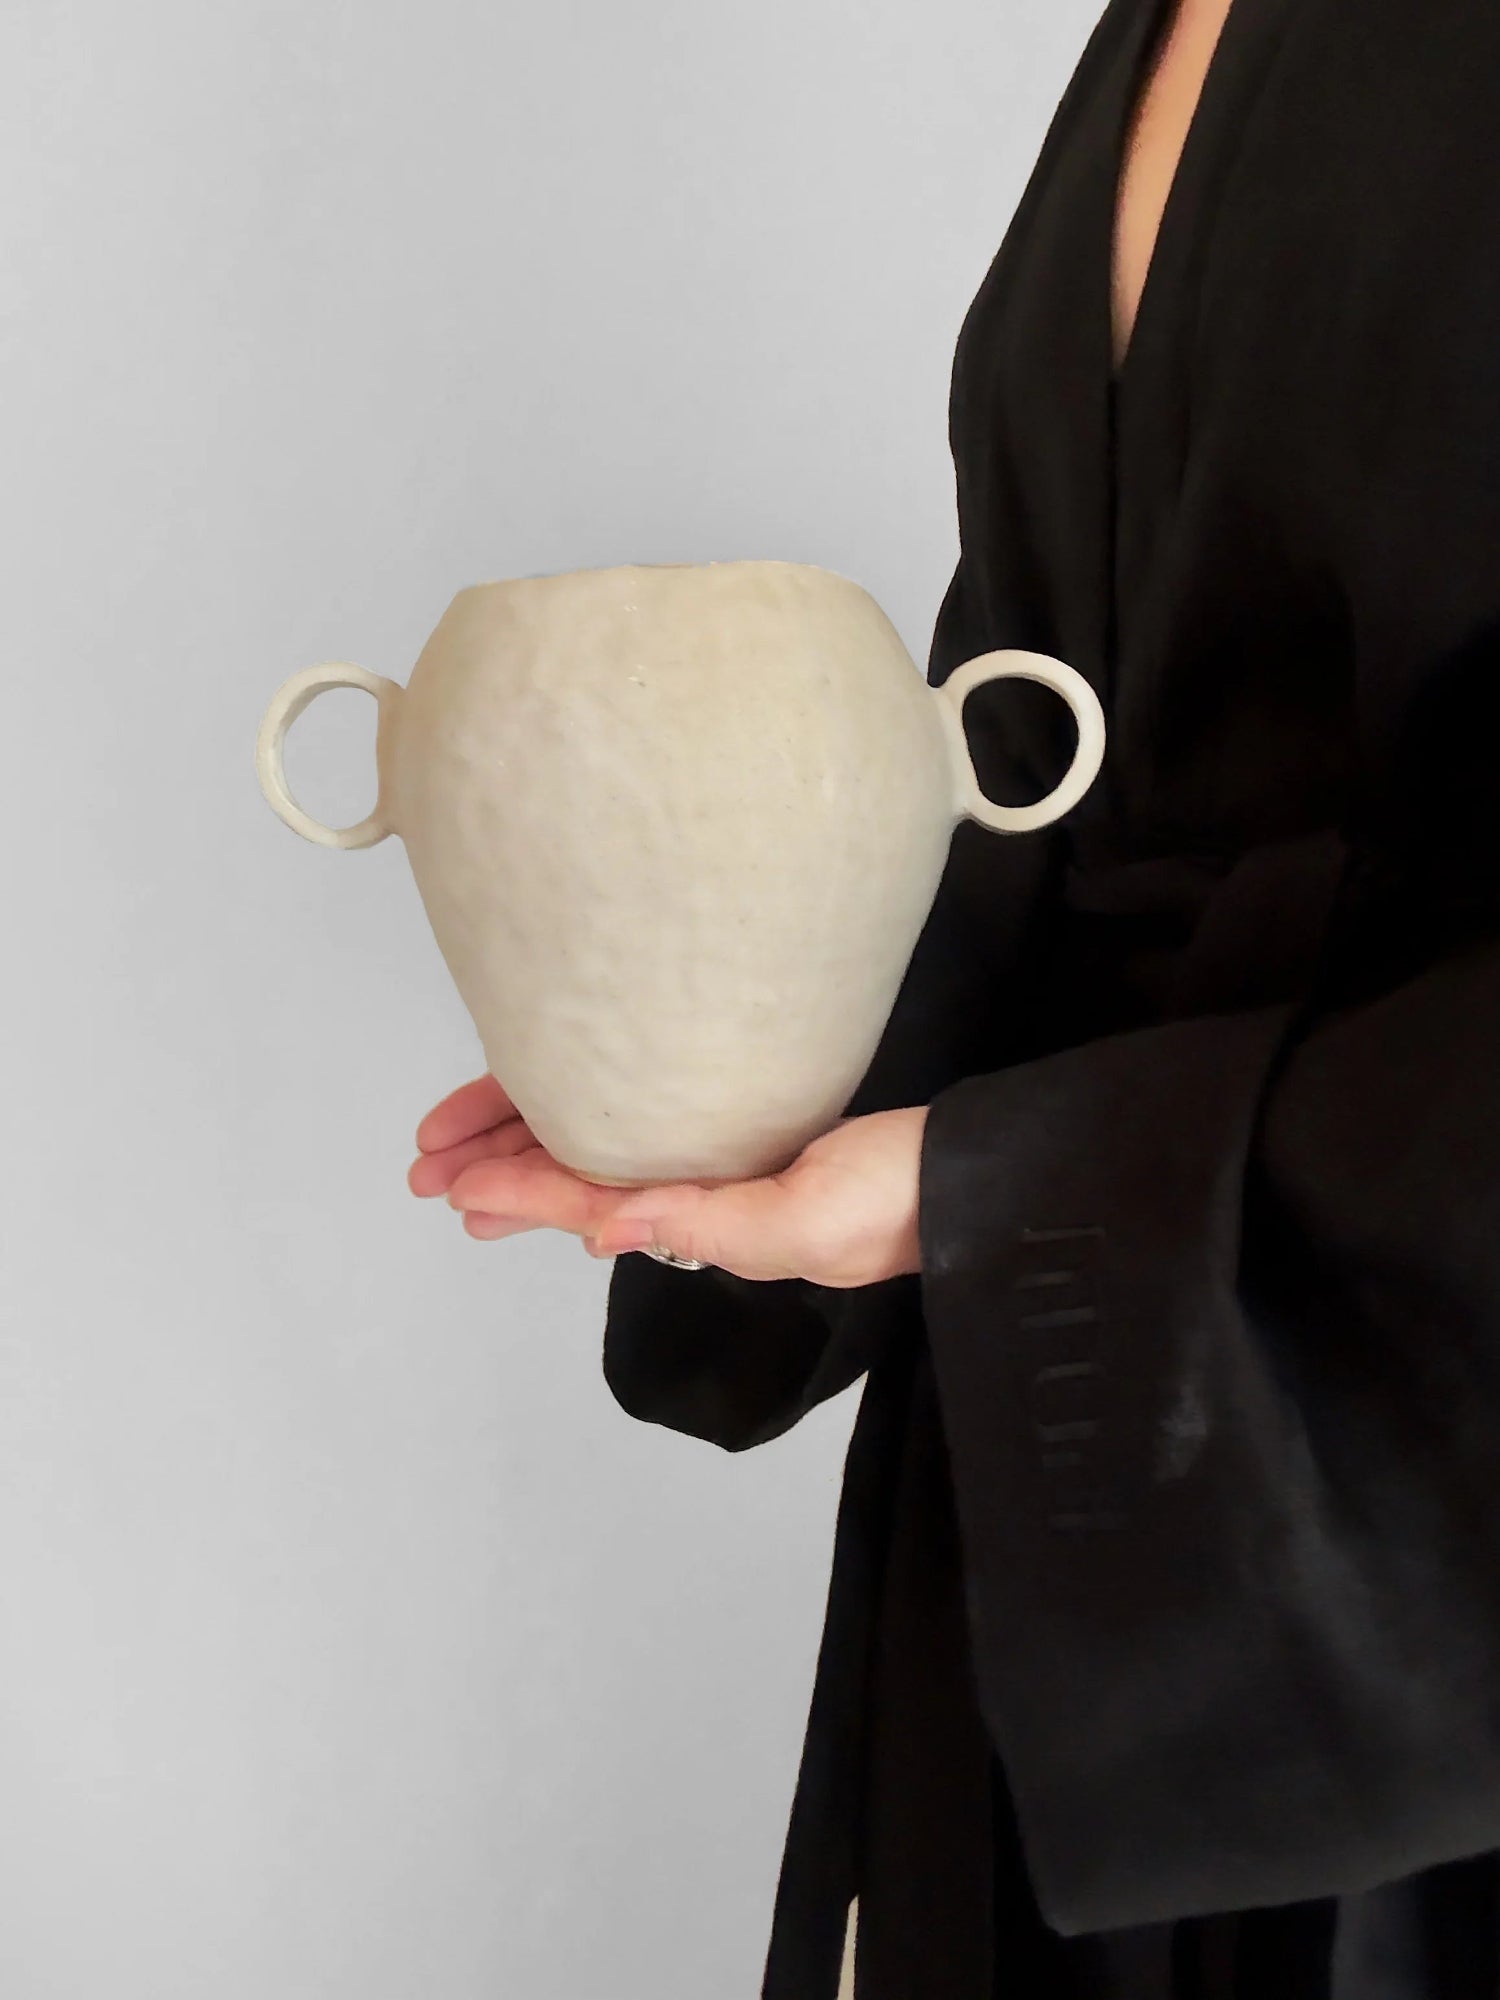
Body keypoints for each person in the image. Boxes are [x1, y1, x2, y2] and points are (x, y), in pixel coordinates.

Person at [408, 0, 1500, 1990]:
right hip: (1073, 1466)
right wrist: (744, 1047)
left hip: (1410, 1512)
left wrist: (1009, 1184)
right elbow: (1060, 750)